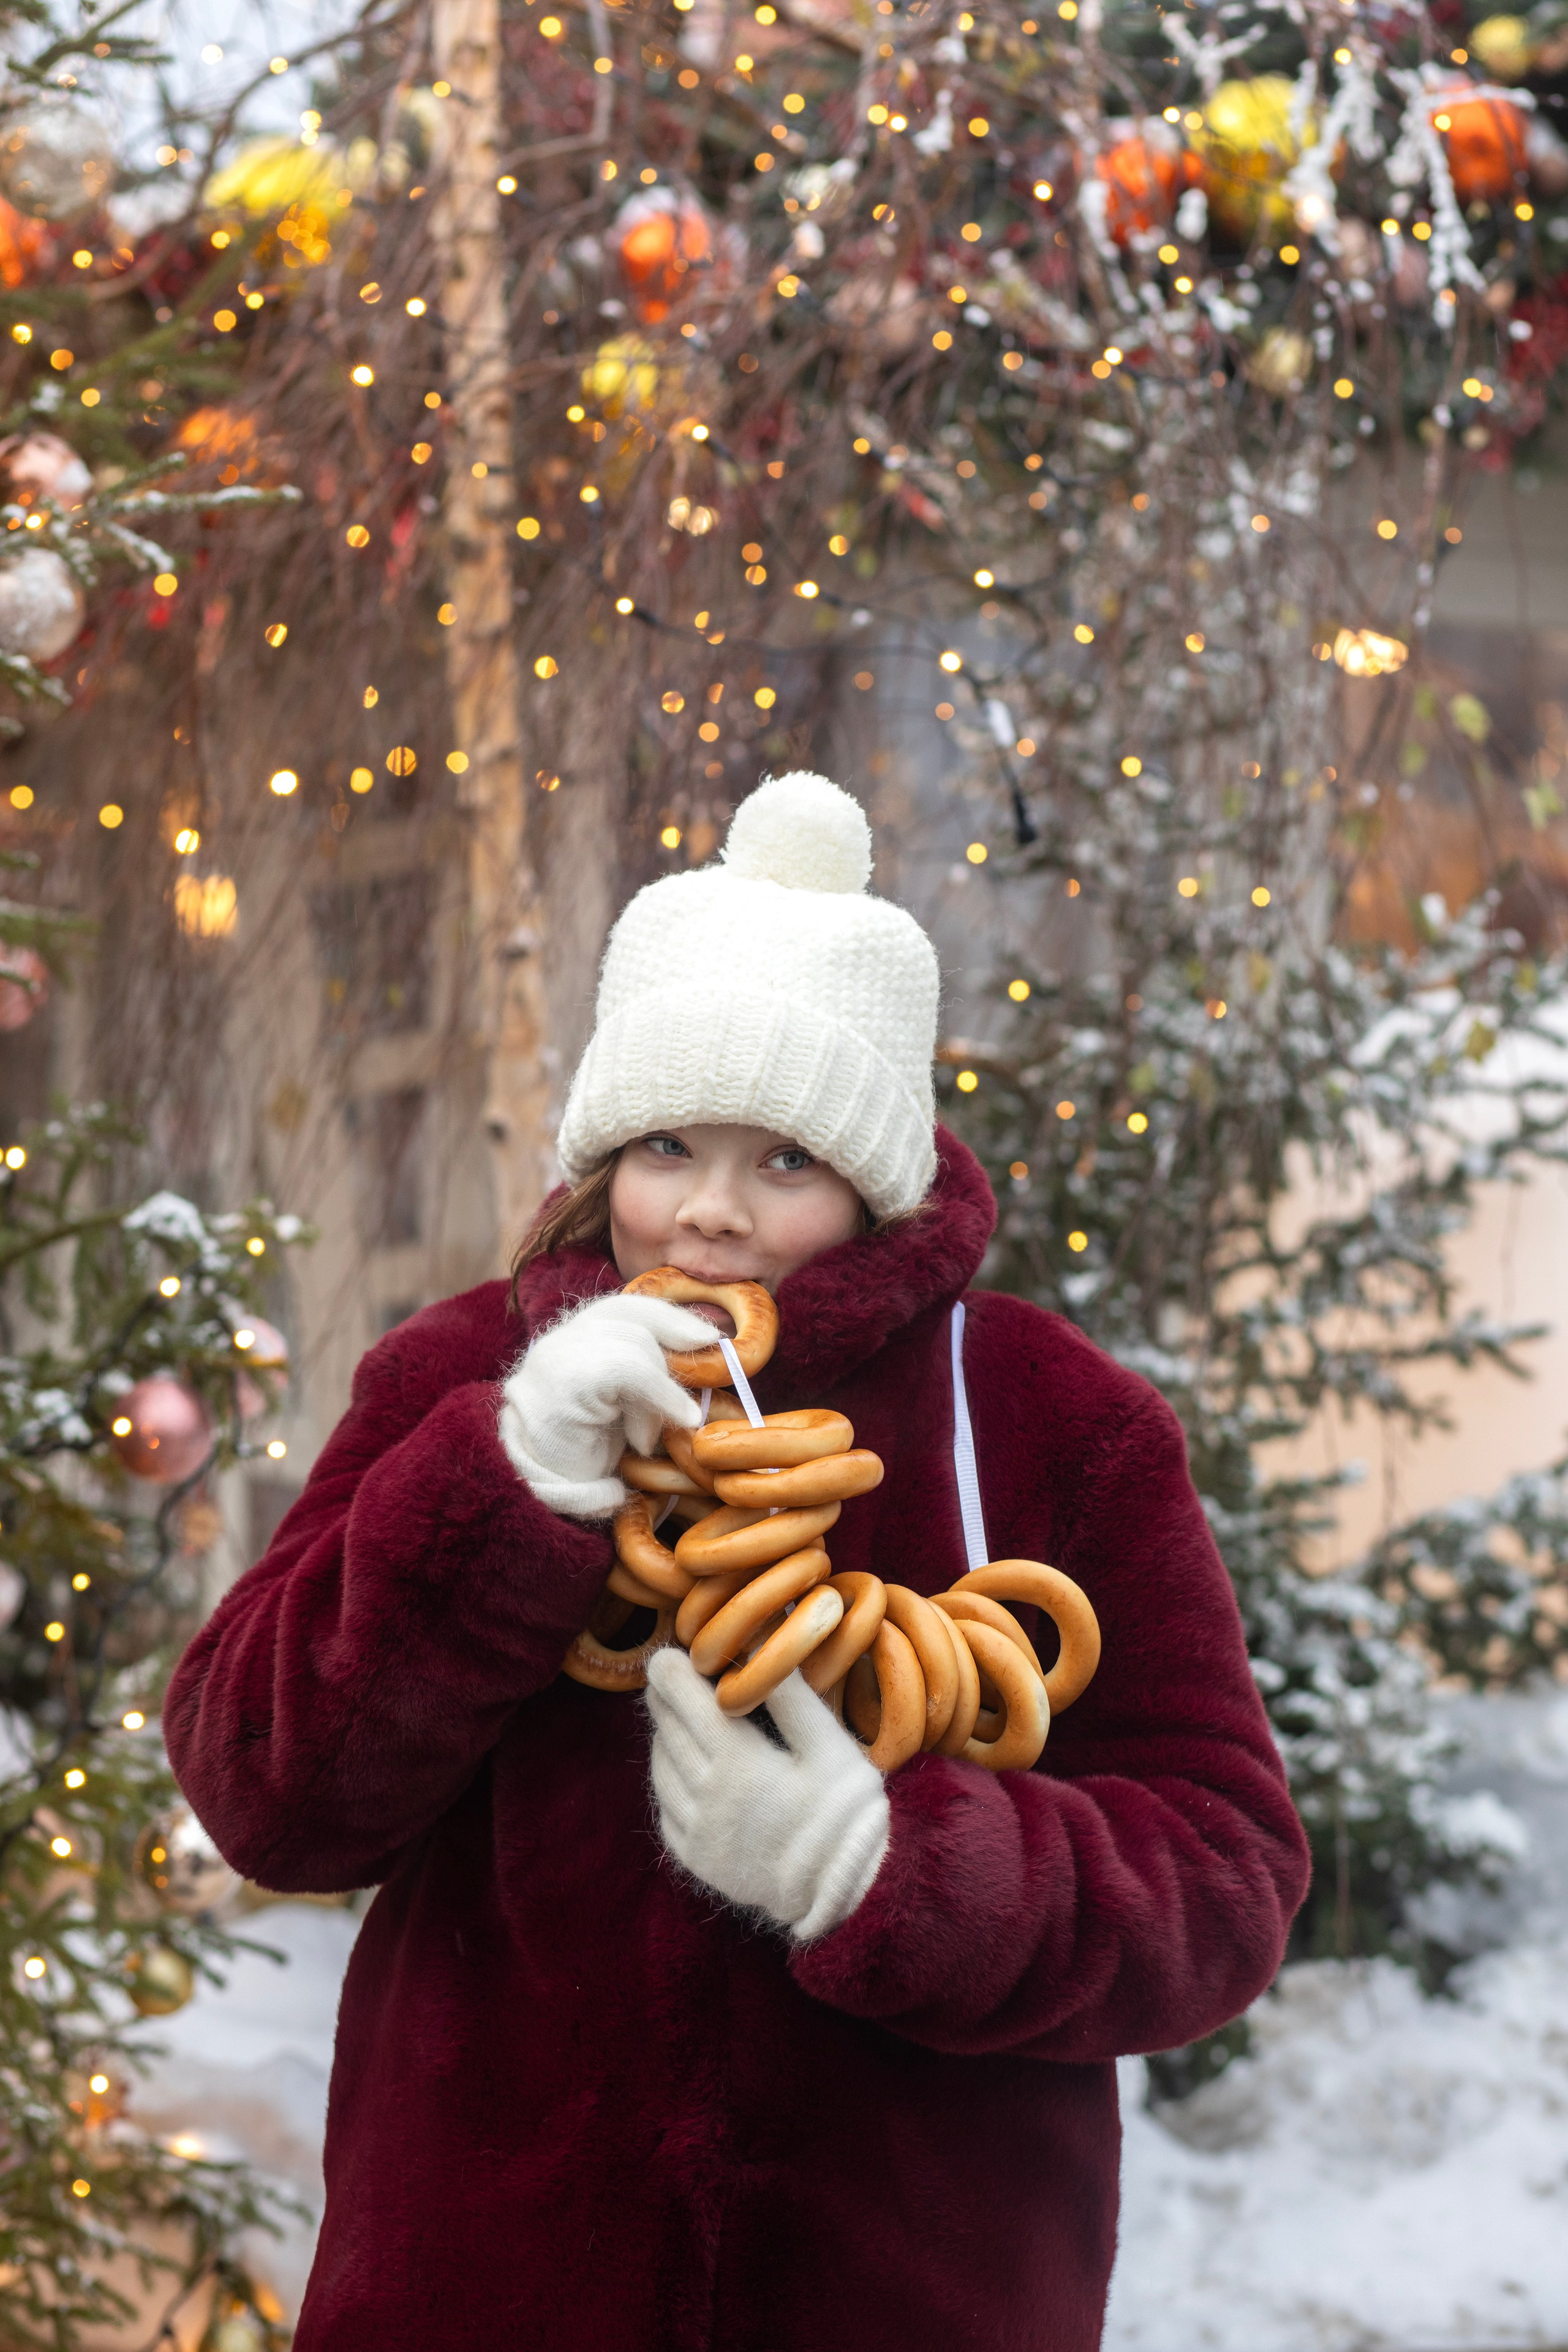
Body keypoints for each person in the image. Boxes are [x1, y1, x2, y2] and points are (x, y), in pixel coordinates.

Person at [166, 771, 1309, 2352]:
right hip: (479, 2287)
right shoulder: (460, 1378)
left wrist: (883, 1870)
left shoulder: (1051, 1422)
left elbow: (1225, 1880)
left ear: (877, 1173)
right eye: (666, 1147)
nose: (708, 1215)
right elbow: (263, 1795)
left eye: (784, 1161)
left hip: (915, 2298)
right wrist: (503, 1484)